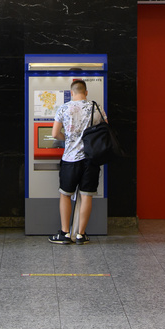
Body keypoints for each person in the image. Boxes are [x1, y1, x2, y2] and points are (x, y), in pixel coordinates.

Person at [48, 79, 104, 245]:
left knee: (65, 194)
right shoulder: (96, 107)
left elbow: (54, 133)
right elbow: (105, 129)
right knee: (86, 196)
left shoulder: (64, 108)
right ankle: (81, 234)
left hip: (70, 159)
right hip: (91, 159)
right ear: (86, 92)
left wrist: (68, 140)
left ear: (71, 93)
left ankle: (65, 233)